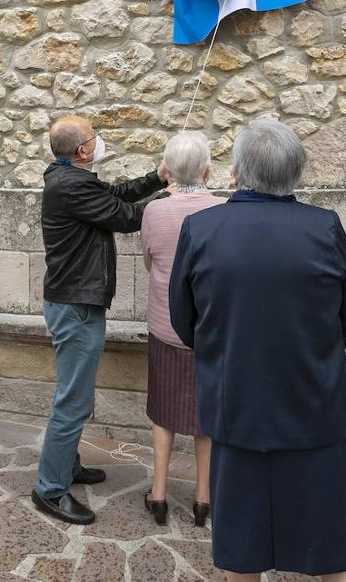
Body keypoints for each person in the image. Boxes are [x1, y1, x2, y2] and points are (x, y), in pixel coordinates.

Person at [170, 118, 346, 582]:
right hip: (314, 404)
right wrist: (310, 354)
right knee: (334, 550)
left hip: (238, 405)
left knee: (242, 553)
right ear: (296, 174)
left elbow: (185, 321)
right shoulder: (325, 227)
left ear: (235, 172)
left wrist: (228, 353)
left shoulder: (201, 229)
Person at [30, 115, 168, 525]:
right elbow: (125, 216)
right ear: (83, 150)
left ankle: (66, 466)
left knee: (74, 396)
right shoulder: (71, 185)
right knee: (73, 402)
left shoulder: (71, 178)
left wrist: (157, 178)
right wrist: (172, 199)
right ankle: (50, 489)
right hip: (75, 305)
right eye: (94, 136)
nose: (99, 140)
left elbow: (116, 194)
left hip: (76, 301)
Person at [139, 132, 222, 527]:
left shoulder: (154, 212)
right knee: (205, 414)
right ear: (208, 170)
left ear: (168, 170)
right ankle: (203, 496)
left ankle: (158, 492)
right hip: (210, 330)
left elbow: (149, 261)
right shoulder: (223, 209)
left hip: (165, 323)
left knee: (163, 410)